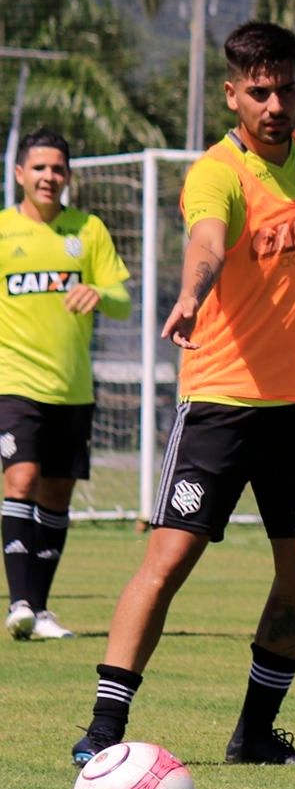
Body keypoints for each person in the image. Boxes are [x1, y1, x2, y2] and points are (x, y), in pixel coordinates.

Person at [71, 21, 295, 767]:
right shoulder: (216, 172)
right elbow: (209, 243)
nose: (275, 103)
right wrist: (191, 295)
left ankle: (254, 735)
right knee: (171, 557)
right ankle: (102, 732)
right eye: (259, 92)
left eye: (286, 88)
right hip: (222, 399)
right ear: (233, 94)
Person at [3, 129, 132, 641]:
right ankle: (17, 603)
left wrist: (98, 292)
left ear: (68, 176)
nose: (48, 177)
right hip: (13, 382)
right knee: (21, 479)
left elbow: (122, 300)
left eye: (57, 168)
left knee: (57, 495)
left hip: (73, 389)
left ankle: (40, 609)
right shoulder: (3, 230)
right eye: (39, 168)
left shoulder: (89, 231)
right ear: (20, 174)